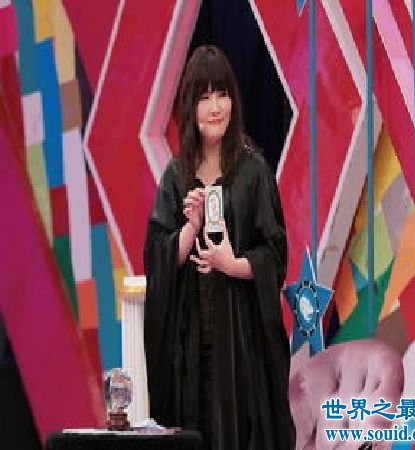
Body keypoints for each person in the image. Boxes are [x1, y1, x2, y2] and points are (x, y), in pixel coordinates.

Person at [143, 45, 295, 450]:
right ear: (189, 106)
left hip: (242, 348)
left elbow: (275, 255)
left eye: (222, 94)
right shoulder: (175, 175)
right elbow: (157, 257)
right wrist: (190, 229)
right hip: (188, 347)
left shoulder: (253, 171)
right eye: (205, 96)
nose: (215, 107)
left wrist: (232, 263)